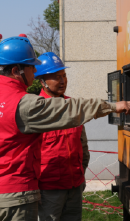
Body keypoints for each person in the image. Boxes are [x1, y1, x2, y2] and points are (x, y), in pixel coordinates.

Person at [0, 36, 130, 221]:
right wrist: (112, 106)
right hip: (17, 197)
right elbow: (72, 110)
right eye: (31, 67)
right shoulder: (25, 104)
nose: (34, 71)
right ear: (17, 70)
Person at [34, 52, 89, 221]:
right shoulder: (35, 111)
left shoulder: (73, 106)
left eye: (64, 76)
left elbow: (83, 147)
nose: (63, 81)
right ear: (42, 81)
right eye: (57, 77)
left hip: (74, 186)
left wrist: (80, 176)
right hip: (48, 190)